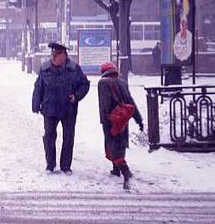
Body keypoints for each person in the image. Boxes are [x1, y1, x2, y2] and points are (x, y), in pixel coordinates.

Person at [31, 41, 90, 175]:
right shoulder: (45, 68)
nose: (54, 57)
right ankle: (50, 165)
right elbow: (38, 87)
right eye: (52, 54)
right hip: (49, 108)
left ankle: (66, 166)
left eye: (57, 54)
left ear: (64, 55)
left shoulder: (74, 68)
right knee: (49, 137)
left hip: (68, 109)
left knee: (68, 137)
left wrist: (76, 96)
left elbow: (85, 85)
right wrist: (36, 104)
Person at [97, 62, 144, 190]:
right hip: (123, 119)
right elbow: (130, 101)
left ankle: (125, 172)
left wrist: (105, 119)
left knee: (112, 145)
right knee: (119, 144)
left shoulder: (103, 83)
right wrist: (138, 119)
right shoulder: (123, 82)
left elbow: (104, 103)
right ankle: (116, 169)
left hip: (111, 120)